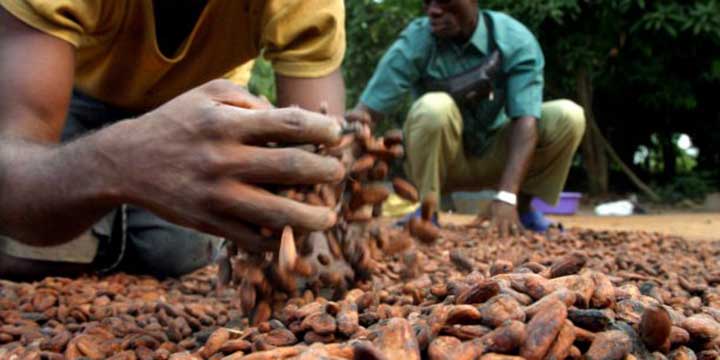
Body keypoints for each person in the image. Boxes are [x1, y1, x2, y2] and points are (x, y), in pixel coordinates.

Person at [0, 0, 347, 279]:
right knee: (31, 257)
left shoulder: (307, 6)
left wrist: (312, 227)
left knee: (175, 253)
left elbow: (318, 161)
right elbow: (11, 172)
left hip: (201, 107)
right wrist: (119, 163)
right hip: (72, 91)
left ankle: (116, 229)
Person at [347, 0, 586, 236]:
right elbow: (367, 112)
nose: (434, 10)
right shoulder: (418, 39)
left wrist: (507, 196)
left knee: (568, 115)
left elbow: (526, 120)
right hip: (443, 163)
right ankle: (428, 214)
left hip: (500, 158)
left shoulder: (512, 38)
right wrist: (346, 156)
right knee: (433, 107)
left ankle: (521, 209)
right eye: (427, 2)